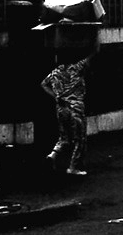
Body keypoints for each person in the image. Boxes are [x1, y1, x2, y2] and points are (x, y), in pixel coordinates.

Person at [40, 44, 98, 175]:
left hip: (61, 108)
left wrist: (56, 96)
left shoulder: (55, 72)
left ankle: (52, 156)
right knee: (80, 138)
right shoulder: (77, 68)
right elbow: (93, 55)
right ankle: (73, 167)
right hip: (75, 108)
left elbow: (43, 84)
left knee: (64, 138)